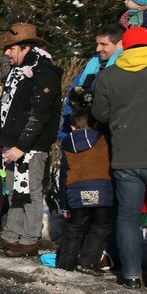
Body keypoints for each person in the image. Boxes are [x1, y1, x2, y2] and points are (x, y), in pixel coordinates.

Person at [0, 24, 61, 258]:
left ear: (25, 47)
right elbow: (7, 109)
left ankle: (30, 238)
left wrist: (22, 146)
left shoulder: (44, 73)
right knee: (13, 191)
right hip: (11, 143)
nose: (6, 53)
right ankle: (12, 232)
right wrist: (1, 139)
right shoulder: (17, 72)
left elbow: (38, 114)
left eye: (10, 48)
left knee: (29, 191)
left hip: (31, 146)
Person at [92, 26, 147, 288]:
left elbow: (101, 115)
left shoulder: (109, 75)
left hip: (125, 156)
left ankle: (131, 275)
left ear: (124, 46)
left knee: (127, 218)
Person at [56, 109, 114, 274]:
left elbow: (63, 176)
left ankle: (65, 264)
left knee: (74, 228)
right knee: (101, 226)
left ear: (73, 128)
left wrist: (64, 204)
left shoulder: (67, 144)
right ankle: (88, 263)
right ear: (94, 124)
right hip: (103, 188)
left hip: (76, 190)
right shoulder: (103, 139)